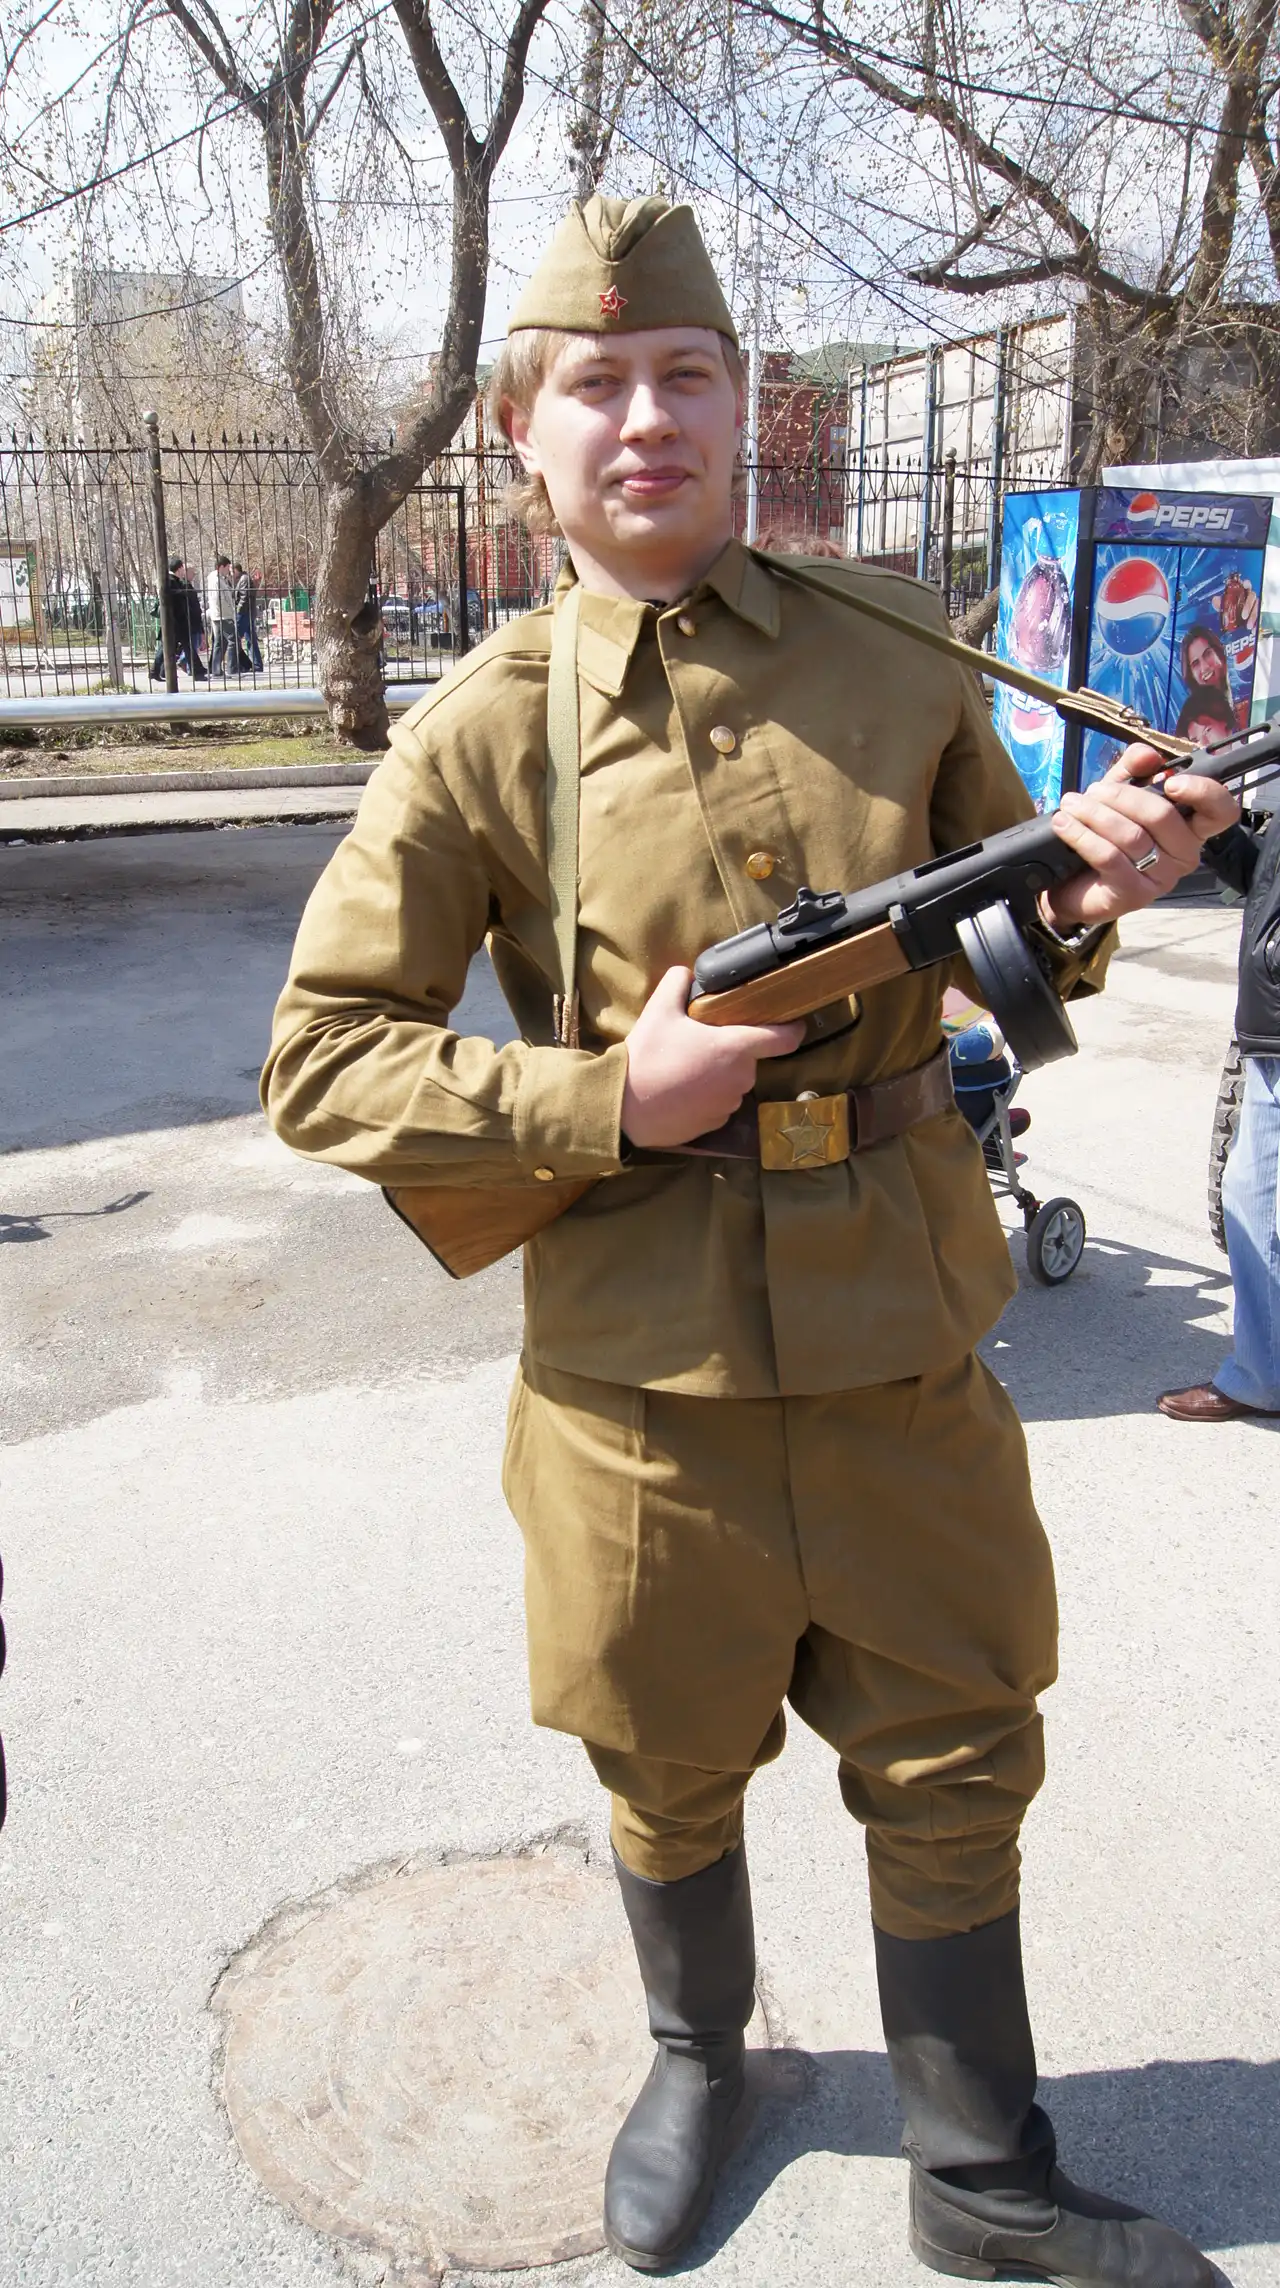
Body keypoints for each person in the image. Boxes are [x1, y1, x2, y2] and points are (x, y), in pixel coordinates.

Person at [262, 196, 1237, 2284]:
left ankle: (979, 2170)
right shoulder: (484, 726)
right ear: (526, 434)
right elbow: (322, 1061)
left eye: (685, 376)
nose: (646, 418)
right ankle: (701, 2062)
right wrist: (610, 1098)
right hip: (639, 1372)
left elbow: (1004, 918)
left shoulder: (898, 647)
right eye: (598, 384)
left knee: (960, 1747)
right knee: (664, 1759)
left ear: (742, 411)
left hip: (901, 1331)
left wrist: (1097, 887)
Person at [1160, 796, 1280, 1422]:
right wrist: (1219, 834)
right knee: (1250, 1194)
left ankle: (1264, 1377)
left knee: (1254, 1196)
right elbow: (1267, 879)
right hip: (1269, 1021)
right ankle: (1264, 1373)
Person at [150, 556, 206, 681]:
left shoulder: (175, 580)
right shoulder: (170, 580)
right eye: (182, 569)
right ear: (179, 568)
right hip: (176, 622)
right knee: (184, 647)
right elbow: (170, 596)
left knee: (172, 648)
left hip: (176, 622)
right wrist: (183, 592)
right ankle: (197, 672)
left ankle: (155, 671)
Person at [205, 552, 239, 675]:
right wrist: (229, 613)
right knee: (233, 640)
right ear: (221, 567)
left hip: (220, 615)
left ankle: (216, 669)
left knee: (220, 642)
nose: (228, 570)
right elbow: (219, 599)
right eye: (227, 567)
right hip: (223, 615)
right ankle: (231, 668)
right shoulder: (216, 580)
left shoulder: (219, 579)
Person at [234, 562, 263, 672]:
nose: (231, 574)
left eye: (232, 571)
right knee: (251, 639)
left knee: (235, 638)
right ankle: (256, 664)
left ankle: (243, 664)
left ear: (236, 570)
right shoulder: (242, 579)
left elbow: (244, 598)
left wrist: (238, 611)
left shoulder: (244, 579)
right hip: (247, 613)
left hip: (244, 614)